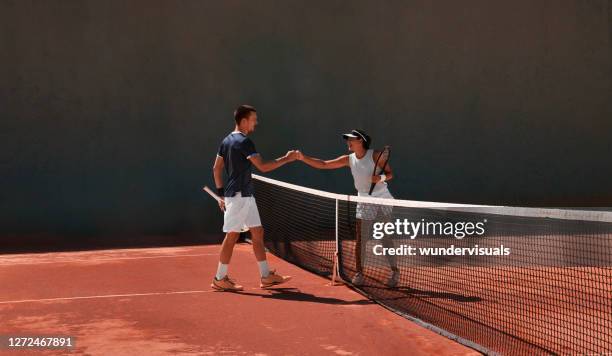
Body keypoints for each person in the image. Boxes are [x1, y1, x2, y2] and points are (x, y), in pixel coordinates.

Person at [296, 129, 399, 288]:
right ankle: (359, 272)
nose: (348, 142)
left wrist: (380, 178)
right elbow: (324, 164)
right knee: (361, 239)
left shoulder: (375, 155)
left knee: (384, 237)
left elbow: (390, 174)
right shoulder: (349, 159)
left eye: (351, 139)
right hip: (363, 199)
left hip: (382, 199)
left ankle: (394, 271)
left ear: (361, 141)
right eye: (347, 139)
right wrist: (303, 158)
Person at [212, 105, 296, 291]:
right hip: (239, 196)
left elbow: (216, 169)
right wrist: (286, 159)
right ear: (243, 121)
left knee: (257, 232)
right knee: (232, 236)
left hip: (244, 195)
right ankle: (219, 277)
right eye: (253, 119)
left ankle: (266, 276)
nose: (255, 123)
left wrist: (220, 194)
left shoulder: (226, 141)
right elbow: (263, 167)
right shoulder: (244, 142)